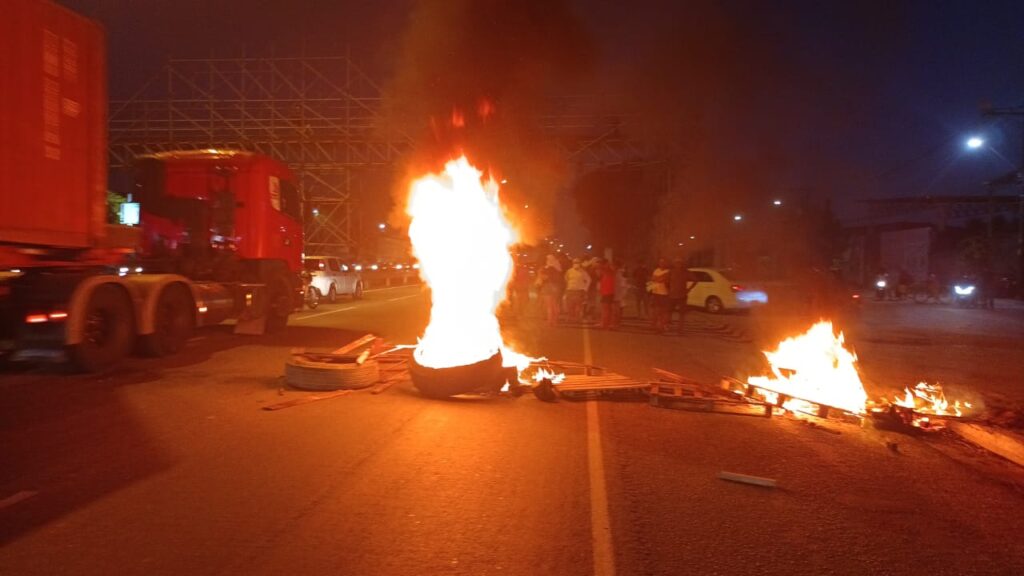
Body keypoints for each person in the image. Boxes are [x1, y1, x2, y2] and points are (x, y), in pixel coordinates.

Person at [667, 259, 693, 334]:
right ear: (674, 264)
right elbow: (667, 281)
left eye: (679, 263)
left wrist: (689, 289)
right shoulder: (671, 272)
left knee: (682, 314)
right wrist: (669, 289)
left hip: (682, 296)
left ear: (682, 264)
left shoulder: (686, 272)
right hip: (672, 296)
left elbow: (695, 280)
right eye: (676, 263)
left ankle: (680, 329)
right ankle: (668, 326)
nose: (678, 265)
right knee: (669, 312)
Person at [564, 258, 591, 323]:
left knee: (578, 306)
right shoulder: (569, 271)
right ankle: (570, 318)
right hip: (570, 290)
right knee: (570, 305)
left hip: (579, 291)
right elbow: (566, 279)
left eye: (577, 262)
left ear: (580, 264)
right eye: (575, 262)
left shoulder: (583, 272)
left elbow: (589, 280)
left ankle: (577, 319)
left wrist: (585, 288)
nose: (576, 264)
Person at [538, 257, 563, 326]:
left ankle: (550, 321)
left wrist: (541, 274)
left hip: (548, 287)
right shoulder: (558, 269)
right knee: (554, 305)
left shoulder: (546, 269)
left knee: (549, 306)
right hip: (556, 288)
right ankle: (555, 321)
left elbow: (543, 278)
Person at [649, 258, 671, 333]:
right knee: (655, 310)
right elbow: (652, 278)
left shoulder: (668, 271)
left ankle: (663, 325)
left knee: (663, 311)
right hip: (655, 293)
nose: (662, 263)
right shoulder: (656, 270)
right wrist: (659, 278)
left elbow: (663, 279)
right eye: (660, 262)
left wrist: (657, 278)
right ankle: (655, 324)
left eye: (663, 262)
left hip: (664, 293)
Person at [597, 259, 618, 329]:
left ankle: (605, 324)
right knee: (607, 309)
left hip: (608, 292)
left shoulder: (608, 271)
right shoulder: (608, 271)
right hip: (607, 292)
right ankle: (607, 323)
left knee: (606, 309)